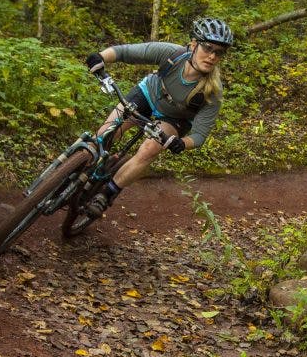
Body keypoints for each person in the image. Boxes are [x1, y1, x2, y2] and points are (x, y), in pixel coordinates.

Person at [83, 17, 233, 216]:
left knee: (150, 149)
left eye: (219, 52)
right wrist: (100, 57)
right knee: (106, 133)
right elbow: (126, 52)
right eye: (208, 48)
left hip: (174, 117)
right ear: (194, 44)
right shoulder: (172, 54)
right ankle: (75, 171)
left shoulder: (213, 91)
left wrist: (182, 143)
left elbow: (200, 134)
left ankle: (107, 193)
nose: (212, 56)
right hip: (149, 93)